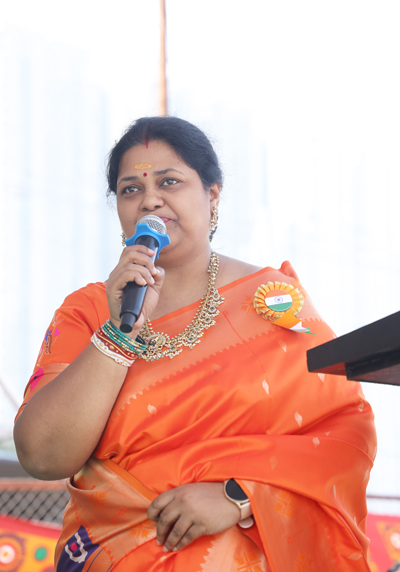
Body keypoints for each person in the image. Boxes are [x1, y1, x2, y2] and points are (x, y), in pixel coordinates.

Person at [14, 116, 376, 571]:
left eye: (169, 181)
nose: (149, 200)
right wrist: (119, 333)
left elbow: (345, 431)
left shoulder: (272, 301)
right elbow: (42, 455)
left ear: (213, 195)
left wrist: (239, 497)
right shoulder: (87, 311)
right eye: (130, 189)